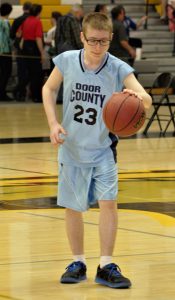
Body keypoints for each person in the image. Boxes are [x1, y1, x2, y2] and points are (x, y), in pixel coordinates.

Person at [42, 12, 152, 289]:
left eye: (103, 42)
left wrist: (137, 97)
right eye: (92, 41)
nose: (97, 47)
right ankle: (78, 261)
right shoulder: (67, 60)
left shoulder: (117, 67)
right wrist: (53, 123)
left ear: (110, 39)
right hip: (72, 148)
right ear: (82, 37)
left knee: (108, 204)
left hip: (104, 149)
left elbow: (146, 98)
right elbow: (48, 88)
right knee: (73, 207)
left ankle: (105, 265)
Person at [18, 3, 44, 102]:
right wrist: (42, 53)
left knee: (28, 73)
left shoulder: (26, 20)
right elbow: (38, 38)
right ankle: (36, 96)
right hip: (34, 48)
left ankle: (20, 92)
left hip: (25, 48)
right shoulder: (37, 22)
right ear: (38, 12)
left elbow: (21, 36)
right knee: (36, 74)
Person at [10, 1, 32, 101]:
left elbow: (12, 36)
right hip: (31, 50)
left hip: (20, 50)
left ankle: (20, 93)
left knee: (21, 72)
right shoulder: (33, 20)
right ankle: (28, 92)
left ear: (23, 8)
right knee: (32, 73)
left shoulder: (17, 20)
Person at [0, 2, 13, 101]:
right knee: (6, 72)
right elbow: (9, 38)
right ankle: (2, 93)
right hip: (5, 51)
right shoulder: (5, 22)